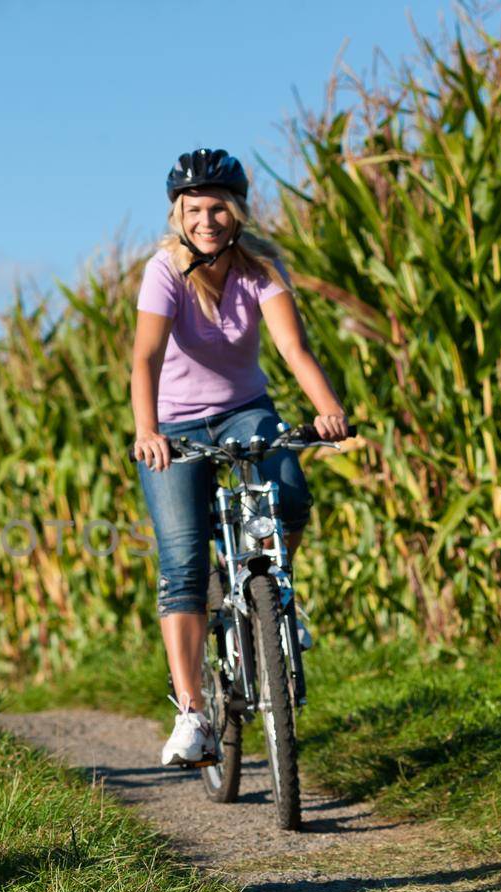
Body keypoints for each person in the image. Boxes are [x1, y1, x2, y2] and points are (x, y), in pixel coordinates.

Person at [130, 149, 350, 768]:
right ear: (180, 213)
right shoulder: (164, 271)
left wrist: (328, 410)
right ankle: (193, 715)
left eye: (218, 207)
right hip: (174, 423)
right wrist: (148, 430)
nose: (208, 219)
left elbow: (293, 348)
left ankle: (276, 595)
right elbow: (145, 357)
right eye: (195, 209)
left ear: (238, 211)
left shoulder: (260, 270)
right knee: (182, 564)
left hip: (246, 408)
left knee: (292, 496)